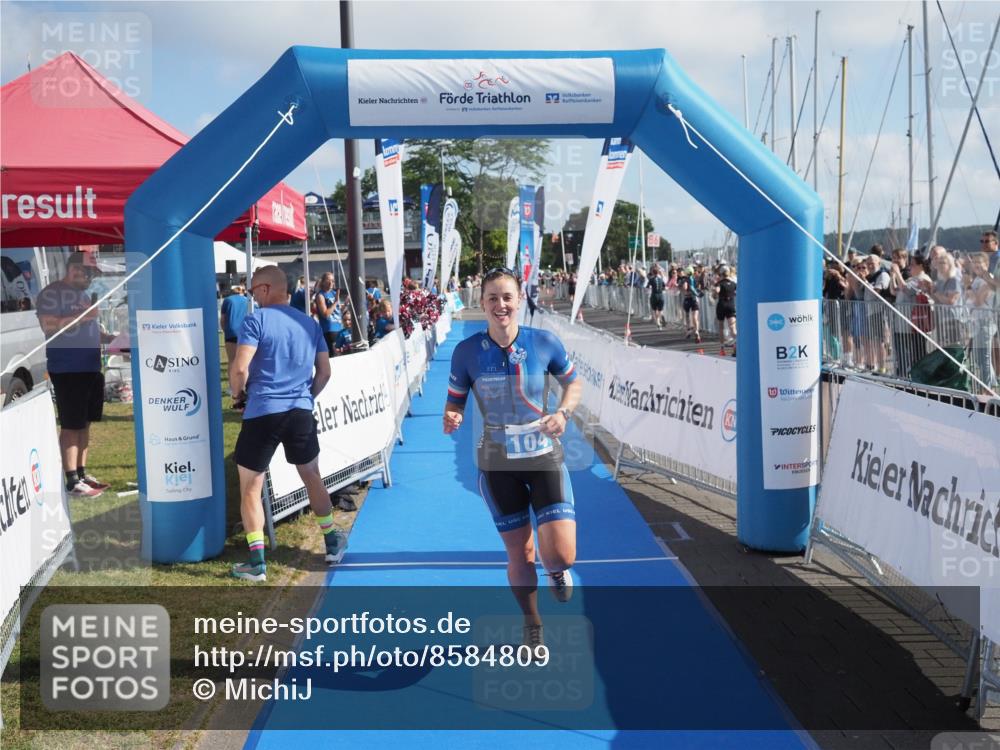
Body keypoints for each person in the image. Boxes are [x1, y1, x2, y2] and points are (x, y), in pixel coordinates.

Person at [443, 267, 583, 653]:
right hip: (497, 462)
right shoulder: (466, 352)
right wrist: (451, 416)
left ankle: (555, 570)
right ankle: (532, 624)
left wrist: (563, 413)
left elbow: (573, 382)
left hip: (543, 459)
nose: (500, 305)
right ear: (482, 302)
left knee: (563, 554)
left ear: (519, 300)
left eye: (507, 297)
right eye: (492, 297)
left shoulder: (544, 343)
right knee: (520, 553)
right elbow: (454, 401)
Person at [229, 265, 346, 581]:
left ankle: (257, 564)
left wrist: (237, 395)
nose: (252, 297)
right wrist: (307, 396)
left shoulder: (256, 320)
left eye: (253, 291)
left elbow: (240, 369)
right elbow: (325, 372)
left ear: (265, 289)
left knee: (250, 486)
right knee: (312, 476)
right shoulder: (309, 323)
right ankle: (332, 543)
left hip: (262, 410)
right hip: (299, 410)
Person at [35, 253, 112, 498]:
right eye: (88, 272)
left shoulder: (83, 296)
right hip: (68, 368)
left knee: (85, 422)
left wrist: (114, 340)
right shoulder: (51, 293)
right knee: (71, 424)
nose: (91, 278)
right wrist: (84, 317)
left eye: (93, 274)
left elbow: (90, 331)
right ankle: (71, 481)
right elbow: (49, 326)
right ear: (74, 269)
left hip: (90, 367)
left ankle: (81, 473)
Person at [220, 287, 256, 383]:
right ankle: (245, 383)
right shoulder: (248, 300)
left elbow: (223, 319)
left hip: (231, 332)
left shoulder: (227, 300)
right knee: (247, 361)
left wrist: (226, 331)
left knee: (232, 361)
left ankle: (232, 386)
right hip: (246, 332)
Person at [313, 272, 342, 355]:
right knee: (334, 355)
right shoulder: (320, 295)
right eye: (328, 280)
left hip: (339, 328)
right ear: (323, 282)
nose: (331, 283)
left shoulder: (334, 293)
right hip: (329, 330)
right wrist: (336, 302)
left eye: (332, 281)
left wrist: (345, 304)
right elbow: (325, 314)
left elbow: (337, 311)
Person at [714, 265, 737, 356]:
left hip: (722, 305)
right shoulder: (733, 283)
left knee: (721, 327)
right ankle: (736, 346)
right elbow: (736, 292)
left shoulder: (719, 283)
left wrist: (714, 294)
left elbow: (716, 291)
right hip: (731, 305)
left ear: (721, 274)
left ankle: (722, 349)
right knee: (732, 327)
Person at [680, 266, 703, 343]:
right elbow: (699, 289)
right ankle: (697, 332)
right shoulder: (695, 279)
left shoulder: (684, 280)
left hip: (687, 299)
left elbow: (685, 288)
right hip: (694, 299)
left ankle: (689, 330)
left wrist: (685, 289)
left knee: (687, 315)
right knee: (695, 317)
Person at [646, 265, 666, 329]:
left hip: (654, 295)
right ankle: (661, 316)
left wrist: (649, 288)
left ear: (652, 272)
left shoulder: (651, 279)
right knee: (660, 309)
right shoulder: (661, 279)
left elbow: (648, 287)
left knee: (655, 310)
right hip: (660, 295)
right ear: (658, 272)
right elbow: (664, 287)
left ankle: (658, 322)